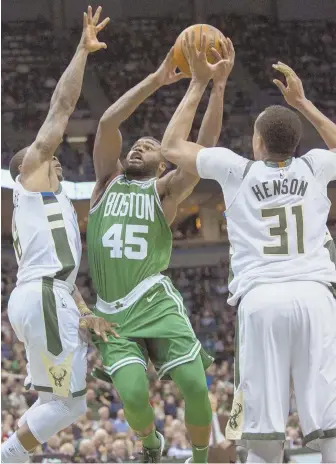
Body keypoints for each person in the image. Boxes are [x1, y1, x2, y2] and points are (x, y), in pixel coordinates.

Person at [161, 33, 336, 464]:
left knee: (263, 429)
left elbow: (171, 146)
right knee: (329, 426)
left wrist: (203, 83)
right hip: (317, 297)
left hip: (262, 301)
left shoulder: (238, 171)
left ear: (257, 143)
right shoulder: (315, 165)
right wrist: (302, 104)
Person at [87, 37, 235, 463]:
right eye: (137, 145)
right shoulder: (105, 183)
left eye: (150, 146)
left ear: (163, 162)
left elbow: (201, 149)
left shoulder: (166, 189)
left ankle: (203, 458)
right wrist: (156, 79)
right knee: (132, 394)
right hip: (112, 311)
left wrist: (216, 87)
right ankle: (152, 444)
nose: (138, 146)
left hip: (154, 301)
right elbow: (107, 126)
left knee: (194, 386)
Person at [1, 7, 117, 463]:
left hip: (49, 295)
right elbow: (62, 107)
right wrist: (81, 51)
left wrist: (83, 312)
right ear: (28, 166)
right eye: (47, 157)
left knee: (57, 402)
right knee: (70, 405)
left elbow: (64, 272)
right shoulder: (30, 179)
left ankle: (13, 455)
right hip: (43, 296)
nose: (55, 159)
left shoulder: (58, 204)